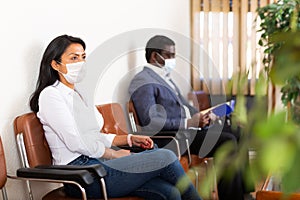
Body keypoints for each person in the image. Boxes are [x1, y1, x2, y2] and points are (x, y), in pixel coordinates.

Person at [29, 34, 201, 200]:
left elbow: (94, 136)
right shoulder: (50, 95)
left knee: (169, 192)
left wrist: (129, 139)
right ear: (55, 64)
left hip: (98, 163)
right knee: (166, 157)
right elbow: (77, 142)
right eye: (74, 58)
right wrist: (114, 154)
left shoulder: (79, 94)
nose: (80, 63)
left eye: (83, 57)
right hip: (80, 175)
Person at [128, 35, 253, 200]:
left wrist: (205, 114)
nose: (173, 59)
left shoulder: (165, 78)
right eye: (170, 55)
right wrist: (188, 122)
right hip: (174, 136)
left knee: (238, 132)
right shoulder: (142, 81)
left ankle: (245, 191)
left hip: (189, 129)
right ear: (154, 56)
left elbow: (183, 106)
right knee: (227, 141)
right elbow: (151, 121)